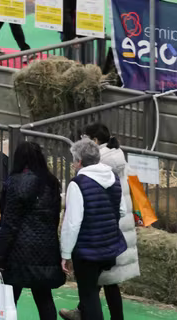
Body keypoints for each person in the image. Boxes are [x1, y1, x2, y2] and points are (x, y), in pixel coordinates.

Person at [59, 125, 140, 320]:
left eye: (74, 160)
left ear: (80, 161)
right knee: (103, 287)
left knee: (89, 295)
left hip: (88, 249)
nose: (73, 164)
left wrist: (65, 253)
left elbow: (72, 223)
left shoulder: (78, 183)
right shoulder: (113, 176)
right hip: (110, 245)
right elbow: (121, 210)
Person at [0, 141, 65, 320]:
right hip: (45, 248)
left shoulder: (14, 182)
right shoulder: (52, 183)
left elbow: (9, 223)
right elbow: (55, 218)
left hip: (18, 250)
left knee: (9, 298)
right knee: (44, 297)